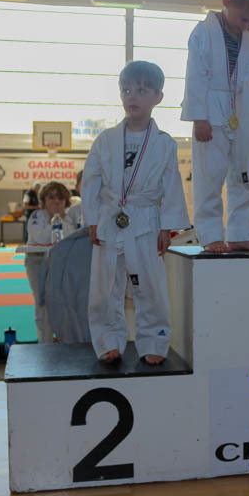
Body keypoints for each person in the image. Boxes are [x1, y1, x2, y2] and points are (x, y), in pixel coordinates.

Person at [82, 60, 189, 365]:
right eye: (127, 90)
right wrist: (92, 219)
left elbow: (171, 186)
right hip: (109, 219)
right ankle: (107, 340)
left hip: (145, 220)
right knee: (105, 287)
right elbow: (91, 181)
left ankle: (154, 340)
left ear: (158, 97)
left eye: (142, 90)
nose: (132, 96)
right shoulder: (105, 140)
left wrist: (166, 228)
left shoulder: (164, 144)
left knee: (150, 287)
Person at [181, 0, 249, 253]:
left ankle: (241, 233)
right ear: (226, 0)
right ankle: (210, 235)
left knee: (247, 175)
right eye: (244, 18)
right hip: (210, 110)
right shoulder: (203, 33)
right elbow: (194, 76)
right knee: (209, 176)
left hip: (243, 111)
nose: (248, 25)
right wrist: (199, 117)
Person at [25, 181, 76, 343]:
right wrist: (54, 221)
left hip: (61, 263)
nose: (56, 202)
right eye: (51, 198)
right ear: (44, 200)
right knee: (42, 302)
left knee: (64, 302)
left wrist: (60, 219)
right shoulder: (36, 216)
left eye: (60, 198)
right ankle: (44, 342)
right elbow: (41, 238)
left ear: (66, 201)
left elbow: (71, 238)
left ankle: (64, 341)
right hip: (37, 261)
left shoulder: (69, 219)